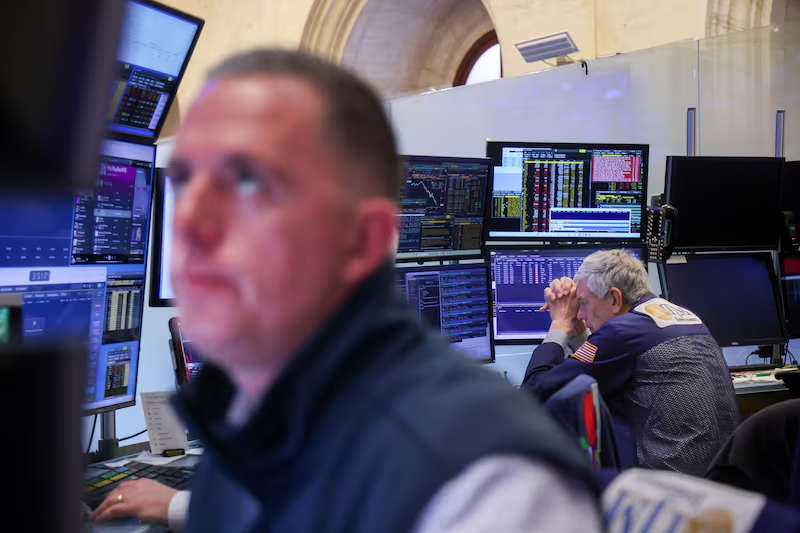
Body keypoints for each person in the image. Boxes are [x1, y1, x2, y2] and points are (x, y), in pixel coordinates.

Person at [93, 49, 603, 532]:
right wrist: (188, 506)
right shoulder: (259, 415)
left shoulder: (490, 484)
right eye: (186, 183)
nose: (193, 226)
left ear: (365, 239)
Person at [522, 249, 739, 476]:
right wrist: (579, 335)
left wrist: (560, 323)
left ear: (615, 298)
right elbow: (602, 363)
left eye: (583, 303)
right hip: (716, 480)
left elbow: (535, 392)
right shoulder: (680, 317)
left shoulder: (623, 331)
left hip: (662, 487)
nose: (582, 314)